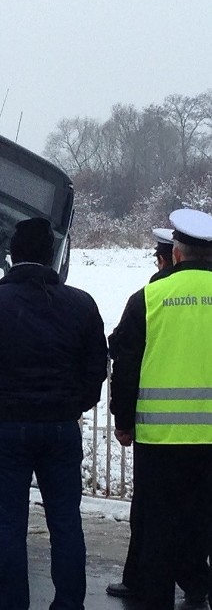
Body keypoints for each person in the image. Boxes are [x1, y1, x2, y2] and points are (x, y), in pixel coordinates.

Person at [0, 217, 108, 610]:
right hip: (60, 428)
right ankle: (69, 603)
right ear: (52, 257)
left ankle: (12, 603)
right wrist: (74, 404)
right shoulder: (81, 304)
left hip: (7, 427)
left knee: (8, 527)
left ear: (12, 257)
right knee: (66, 523)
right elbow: (96, 367)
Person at [110, 208, 212, 610]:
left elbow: (126, 364)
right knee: (201, 522)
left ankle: (155, 599)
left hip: (159, 441)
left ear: (179, 253)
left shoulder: (148, 298)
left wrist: (123, 420)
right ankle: (198, 585)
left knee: (155, 528)